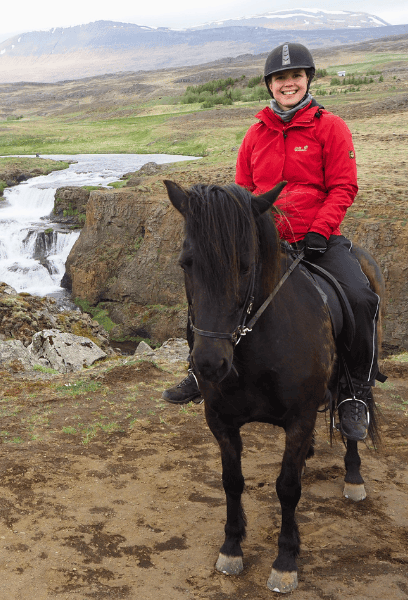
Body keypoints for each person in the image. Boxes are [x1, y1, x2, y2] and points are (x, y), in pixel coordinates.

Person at [162, 42, 381, 442]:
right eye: (281, 78)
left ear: (307, 79)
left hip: (319, 240)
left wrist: (320, 229)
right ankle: (200, 371)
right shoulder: (255, 134)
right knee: (212, 289)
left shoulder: (330, 127)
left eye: (296, 76)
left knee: (362, 297)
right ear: (270, 85)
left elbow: (344, 185)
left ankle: (355, 392)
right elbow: (241, 197)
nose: (288, 83)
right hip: (266, 245)